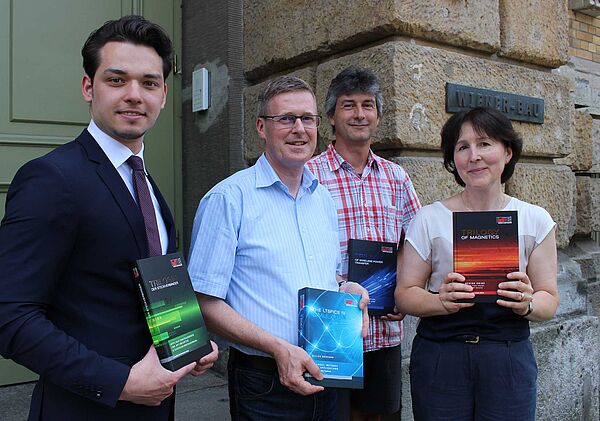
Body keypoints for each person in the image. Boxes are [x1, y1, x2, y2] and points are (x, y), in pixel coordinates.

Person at [0, 15, 218, 421]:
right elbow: (11, 317)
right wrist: (118, 382)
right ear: (89, 86)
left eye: (149, 83)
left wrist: (190, 339)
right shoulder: (51, 178)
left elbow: (149, 279)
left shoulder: (146, 181)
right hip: (85, 408)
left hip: (157, 405)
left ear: (164, 95)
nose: (135, 95)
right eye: (117, 80)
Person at [188, 75, 369, 420]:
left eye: (308, 119)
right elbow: (204, 301)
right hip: (263, 381)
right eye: (286, 119)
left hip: (326, 372)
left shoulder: (323, 199)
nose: (299, 129)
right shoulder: (228, 199)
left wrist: (348, 291)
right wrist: (276, 347)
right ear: (261, 127)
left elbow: (325, 278)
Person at [395, 107, 560, 420]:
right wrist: (439, 301)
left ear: (507, 152)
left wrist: (527, 303)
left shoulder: (535, 220)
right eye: (462, 147)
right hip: (441, 356)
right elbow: (404, 293)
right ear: (453, 159)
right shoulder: (429, 218)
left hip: (507, 357)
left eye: (484, 143)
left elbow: (549, 298)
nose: (474, 156)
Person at [307, 65, 420, 421]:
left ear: (378, 115)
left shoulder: (396, 177)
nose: (359, 114)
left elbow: (413, 243)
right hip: (331, 326)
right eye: (348, 105)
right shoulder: (310, 176)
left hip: (384, 328)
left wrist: (404, 287)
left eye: (368, 105)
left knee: (381, 416)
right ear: (330, 116)